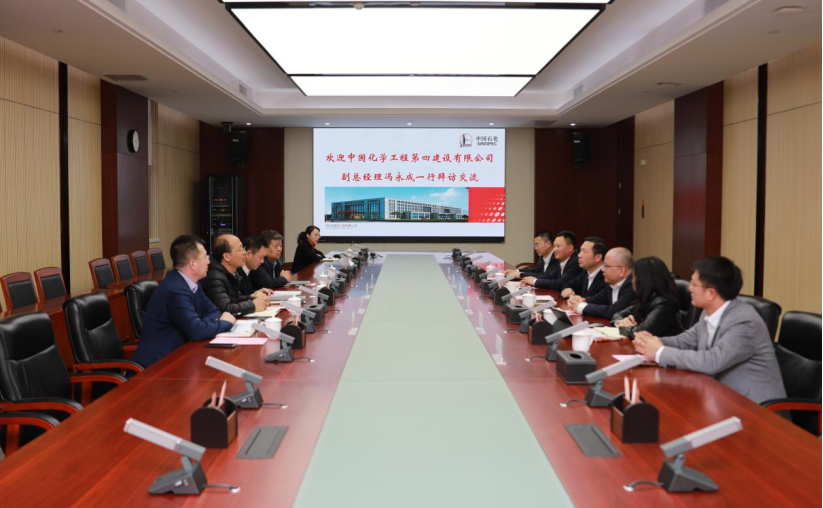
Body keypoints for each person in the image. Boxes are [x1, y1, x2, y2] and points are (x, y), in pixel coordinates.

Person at [633, 256, 786, 404]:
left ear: (710, 293)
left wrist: (660, 353)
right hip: (719, 397)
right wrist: (650, 341)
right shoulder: (709, 312)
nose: (689, 288)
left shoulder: (744, 321)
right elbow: (685, 340)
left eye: (694, 284)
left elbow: (712, 361)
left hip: (754, 408)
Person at [133, 235, 236, 368]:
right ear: (193, 264)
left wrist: (203, 324)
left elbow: (214, 311)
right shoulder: (175, 289)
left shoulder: (192, 283)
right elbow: (197, 331)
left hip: (180, 354)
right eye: (205, 257)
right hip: (158, 364)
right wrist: (225, 322)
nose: (209, 261)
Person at [612, 256, 684, 338]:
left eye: (633, 277)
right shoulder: (647, 298)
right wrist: (622, 322)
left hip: (666, 345)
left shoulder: (663, 304)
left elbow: (641, 333)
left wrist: (624, 327)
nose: (632, 281)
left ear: (643, 280)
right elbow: (617, 314)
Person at [201, 234, 269, 316]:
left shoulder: (232, 273)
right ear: (226, 256)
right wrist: (253, 305)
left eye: (243, 248)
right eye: (240, 250)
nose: (244, 253)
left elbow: (235, 299)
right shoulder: (214, 277)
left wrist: (254, 298)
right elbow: (225, 309)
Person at [568, 247, 635, 319]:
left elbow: (616, 311)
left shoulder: (633, 286)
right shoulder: (610, 284)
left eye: (606, 266)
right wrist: (578, 301)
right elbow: (597, 299)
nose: (602, 269)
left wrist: (581, 306)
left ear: (622, 271)